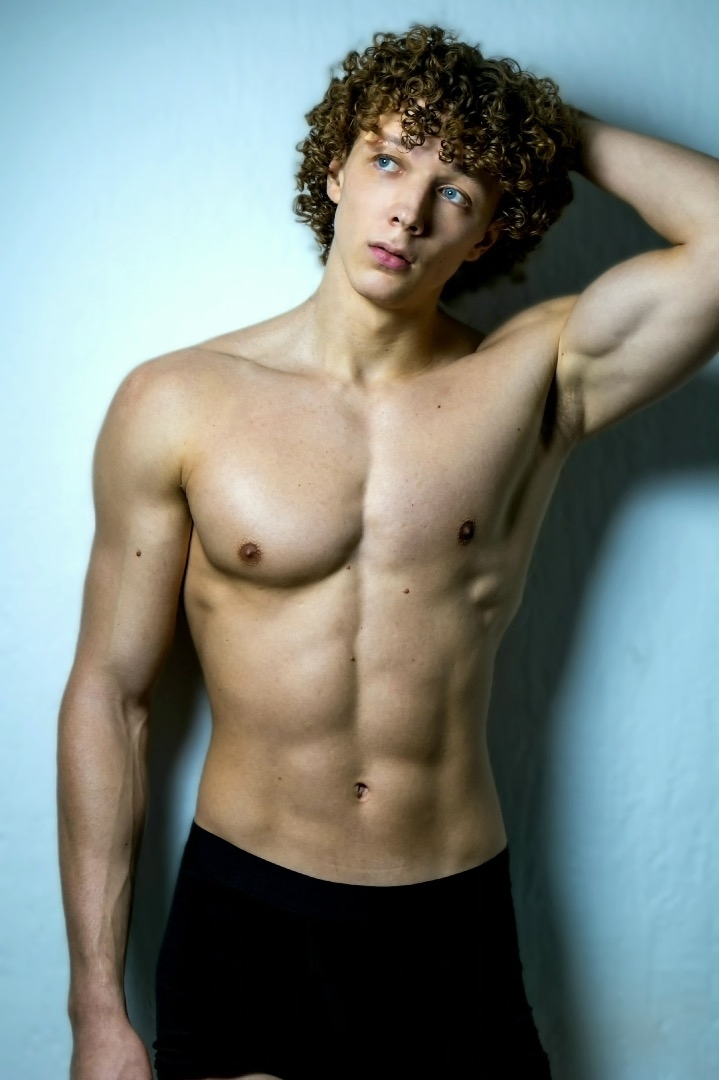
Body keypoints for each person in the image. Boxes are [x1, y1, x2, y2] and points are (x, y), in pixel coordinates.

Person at [57, 23, 719, 1080]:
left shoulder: (533, 376)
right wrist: (96, 1006)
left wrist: (546, 126)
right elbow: (111, 694)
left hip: (448, 919)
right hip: (248, 914)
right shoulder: (176, 401)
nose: (408, 211)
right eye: (388, 160)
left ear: (491, 230)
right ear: (335, 168)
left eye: (456, 189)